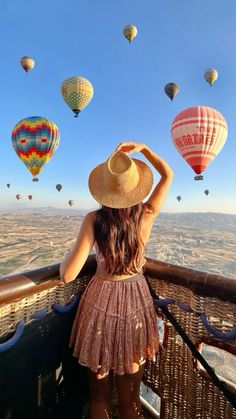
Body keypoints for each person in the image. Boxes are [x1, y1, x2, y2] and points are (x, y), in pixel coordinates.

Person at [60, 141, 174, 419]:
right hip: (136, 302)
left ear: (104, 189)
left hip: (101, 306)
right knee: (130, 401)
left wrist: (68, 255)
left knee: (98, 400)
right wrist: (145, 149)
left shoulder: (93, 219)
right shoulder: (145, 216)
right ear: (135, 188)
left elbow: (67, 275)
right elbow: (168, 174)